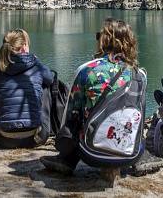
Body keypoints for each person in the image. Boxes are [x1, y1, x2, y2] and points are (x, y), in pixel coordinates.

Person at [40, 19, 150, 175]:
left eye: (99, 36)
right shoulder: (140, 74)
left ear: (104, 41)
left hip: (91, 153)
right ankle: (142, 159)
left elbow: (70, 115)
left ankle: (66, 160)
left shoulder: (87, 70)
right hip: (130, 155)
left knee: (77, 120)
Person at [0, 28, 58, 148]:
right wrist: (36, 61)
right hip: (35, 138)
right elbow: (50, 79)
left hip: (2, 139)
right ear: (24, 46)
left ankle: (7, 125)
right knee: (46, 87)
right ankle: (51, 127)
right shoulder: (37, 66)